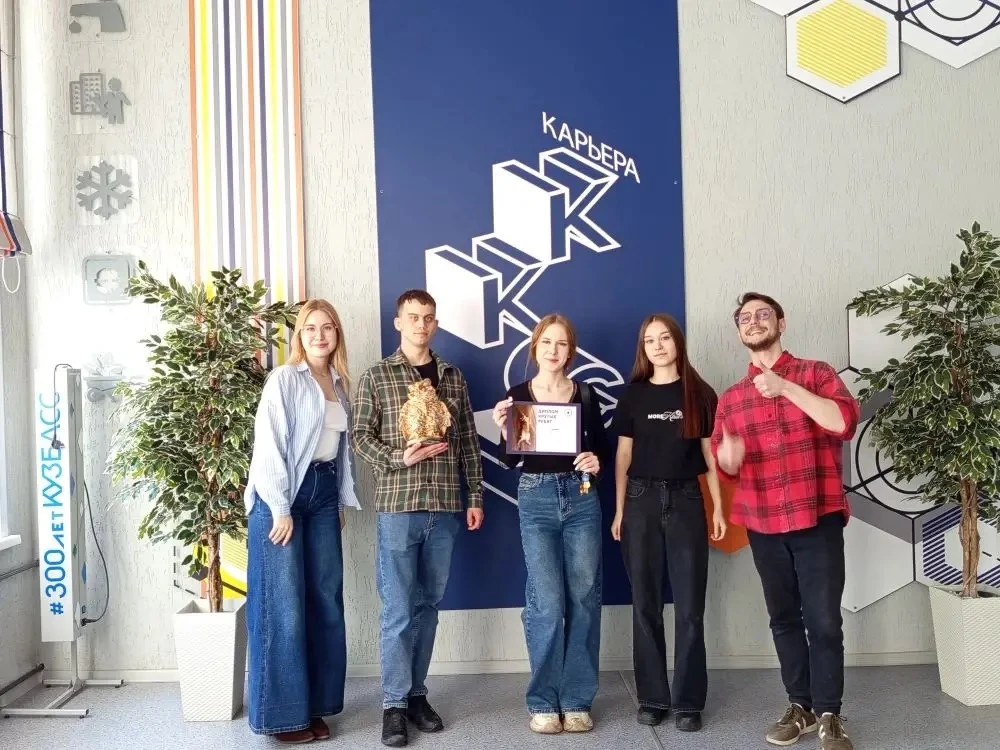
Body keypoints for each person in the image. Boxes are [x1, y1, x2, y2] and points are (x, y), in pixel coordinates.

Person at [711, 293, 859, 750]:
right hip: (763, 523)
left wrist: (786, 388)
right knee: (783, 619)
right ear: (739, 331)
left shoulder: (816, 374)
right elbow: (724, 465)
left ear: (781, 322)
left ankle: (830, 713)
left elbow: (843, 423)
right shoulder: (731, 399)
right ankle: (801, 706)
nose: (754, 322)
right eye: (745, 318)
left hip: (817, 515)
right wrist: (728, 460)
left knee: (824, 621)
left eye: (763, 315)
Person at [351, 289, 485, 748]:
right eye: (413, 317)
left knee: (428, 607)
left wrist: (475, 495)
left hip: (444, 507)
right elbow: (359, 437)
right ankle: (392, 704)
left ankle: (415, 695)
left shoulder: (452, 376)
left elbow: (468, 440)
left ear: (436, 323)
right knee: (397, 610)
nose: (421, 325)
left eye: (428, 318)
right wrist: (398, 458)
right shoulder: (377, 376)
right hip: (398, 507)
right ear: (398, 322)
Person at [244, 299, 361, 743]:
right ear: (299, 335)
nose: (319, 335)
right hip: (284, 496)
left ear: (336, 334)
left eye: (327, 327)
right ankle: (281, 718)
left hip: (324, 495)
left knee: (325, 601)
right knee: (283, 607)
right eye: (310, 328)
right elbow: (269, 443)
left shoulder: (340, 383)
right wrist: (279, 506)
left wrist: (340, 500)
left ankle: (314, 706)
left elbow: (340, 451)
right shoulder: (284, 379)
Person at [609, 313, 726, 733]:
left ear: (678, 342)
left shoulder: (700, 393)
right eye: (649, 340)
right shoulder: (633, 395)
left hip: (687, 500)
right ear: (643, 348)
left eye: (664, 338)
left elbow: (710, 455)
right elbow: (623, 456)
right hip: (639, 500)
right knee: (646, 605)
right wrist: (620, 510)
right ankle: (653, 698)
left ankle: (689, 702)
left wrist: (718, 508)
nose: (657, 346)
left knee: (691, 608)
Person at [491, 314, 607, 735]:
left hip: (581, 497)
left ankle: (576, 700)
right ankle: (543, 701)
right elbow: (509, 460)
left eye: (561, 344)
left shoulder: (586, 395)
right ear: (535, 348)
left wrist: (595, 461)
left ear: (570, 351)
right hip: (536, 497)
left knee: (585, 597)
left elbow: (601, 450)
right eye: (546, 343)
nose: (553, 351)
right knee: (547, 601)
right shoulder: (518, 395)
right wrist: (502, 427)